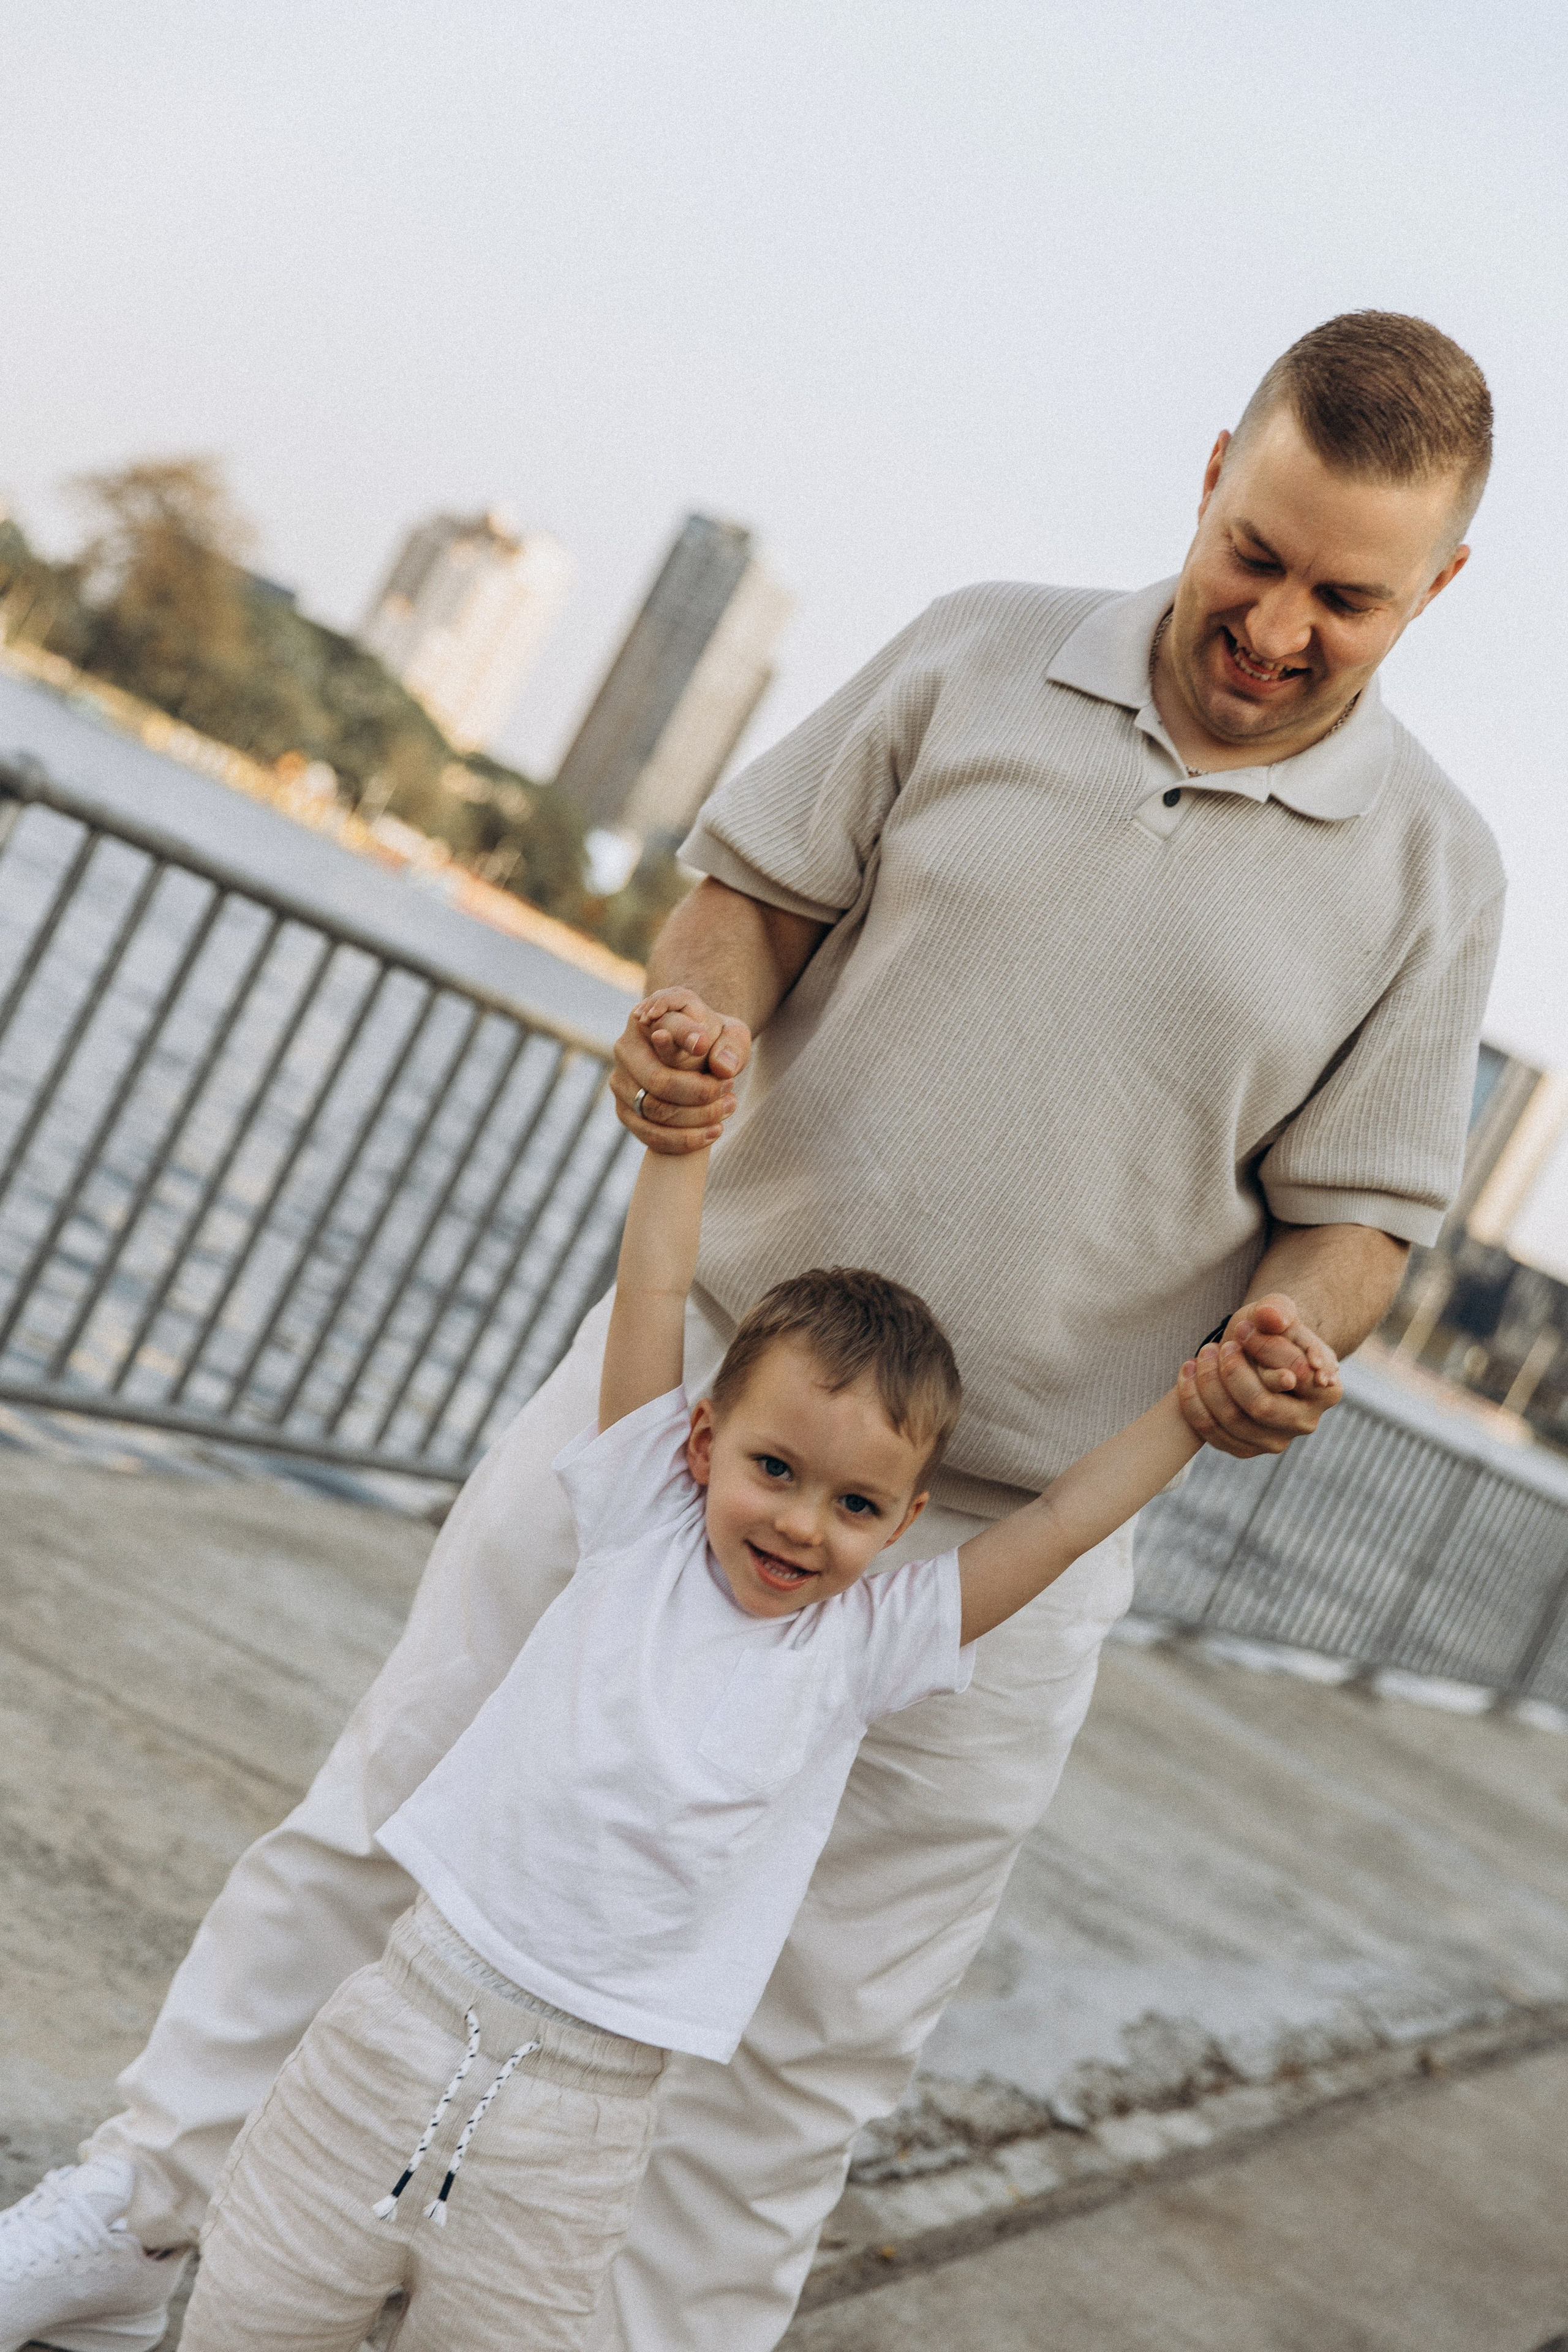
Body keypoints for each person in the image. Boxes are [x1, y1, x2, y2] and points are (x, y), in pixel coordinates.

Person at [0, 311, 1506, 2352]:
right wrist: (693, 1016)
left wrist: (1290, 1346)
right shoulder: (978, 649)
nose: (1278, 624)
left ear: (1440, 588)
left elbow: (1356, 1227)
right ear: (1212, 471)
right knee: (392, 1805)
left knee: (815, 2041)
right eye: (1258, 551)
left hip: (1004, 1544)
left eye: (1349, 596)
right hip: (685, 1419)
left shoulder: (1436, 876)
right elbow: (745, 898)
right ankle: (146, 2204)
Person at [174, 1007, 1337, 2350]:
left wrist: (1187, 1417)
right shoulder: (636, 1525)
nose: (798, 1524)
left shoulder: (865, 1647)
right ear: (703, 1444)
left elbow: (1061, 1525)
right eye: (775, 1471)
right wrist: (682, 1143)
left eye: (853, 1503)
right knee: (249, 2315)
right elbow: (660, 1295)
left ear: (900, 1528)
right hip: (390, 2031)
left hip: (582, 2129)